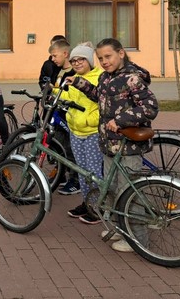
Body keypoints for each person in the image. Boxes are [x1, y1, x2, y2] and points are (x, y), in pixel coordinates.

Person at [68, 38, 159, 252]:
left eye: (108, 56)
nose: (104, 61)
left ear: (121, 53)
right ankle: (121, 228)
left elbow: (150, 107)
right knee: (113, 190)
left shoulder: (132, 78)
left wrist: (120, 120)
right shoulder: (106, 77)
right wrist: (80, 83)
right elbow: (99, 97)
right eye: (100, 58)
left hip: (128, 147)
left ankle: (137, 240)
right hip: (110, 145)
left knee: (129, 193)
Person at [60, 43, 103, 225]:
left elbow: (101, 102)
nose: (77, 63)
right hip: (76, 130)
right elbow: (69, 97)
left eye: (81, 59)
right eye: (73, 60)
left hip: (92, 131)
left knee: (93, 172)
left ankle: (98, 207)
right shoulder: (74, 78)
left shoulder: (99, 77)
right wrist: (53, 91)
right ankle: (87, 203)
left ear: (89, 61)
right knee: (82, 170)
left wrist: (90, 121)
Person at [49, 39, 80, 195]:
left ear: (65, 53)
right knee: (60, 146)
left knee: (70, 149)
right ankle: (61, 174)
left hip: (71, 117)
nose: (52, 59)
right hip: (59, 114)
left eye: (55, 55)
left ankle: (75, 180)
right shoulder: (59, 71)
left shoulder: (74, 73)